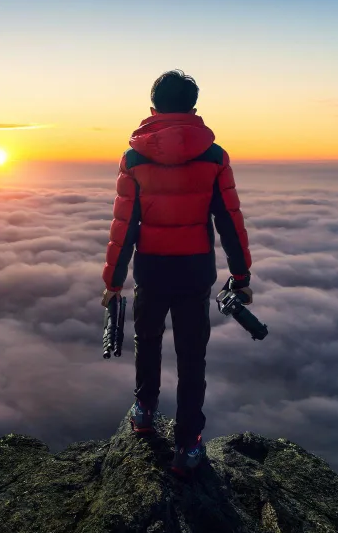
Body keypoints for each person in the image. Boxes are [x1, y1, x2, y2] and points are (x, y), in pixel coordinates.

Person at [101, 70, 253, 477]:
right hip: (194, 271)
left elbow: (124, 225)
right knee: (192, 357)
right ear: (193, 109)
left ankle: (145, 411)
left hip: (151, 269)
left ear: (152, 109)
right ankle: (188, 445)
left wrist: (113, 282)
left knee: (147, 339)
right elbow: (230, 221)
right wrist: (241, 277)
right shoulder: (215, 157)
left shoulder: (133, 158)